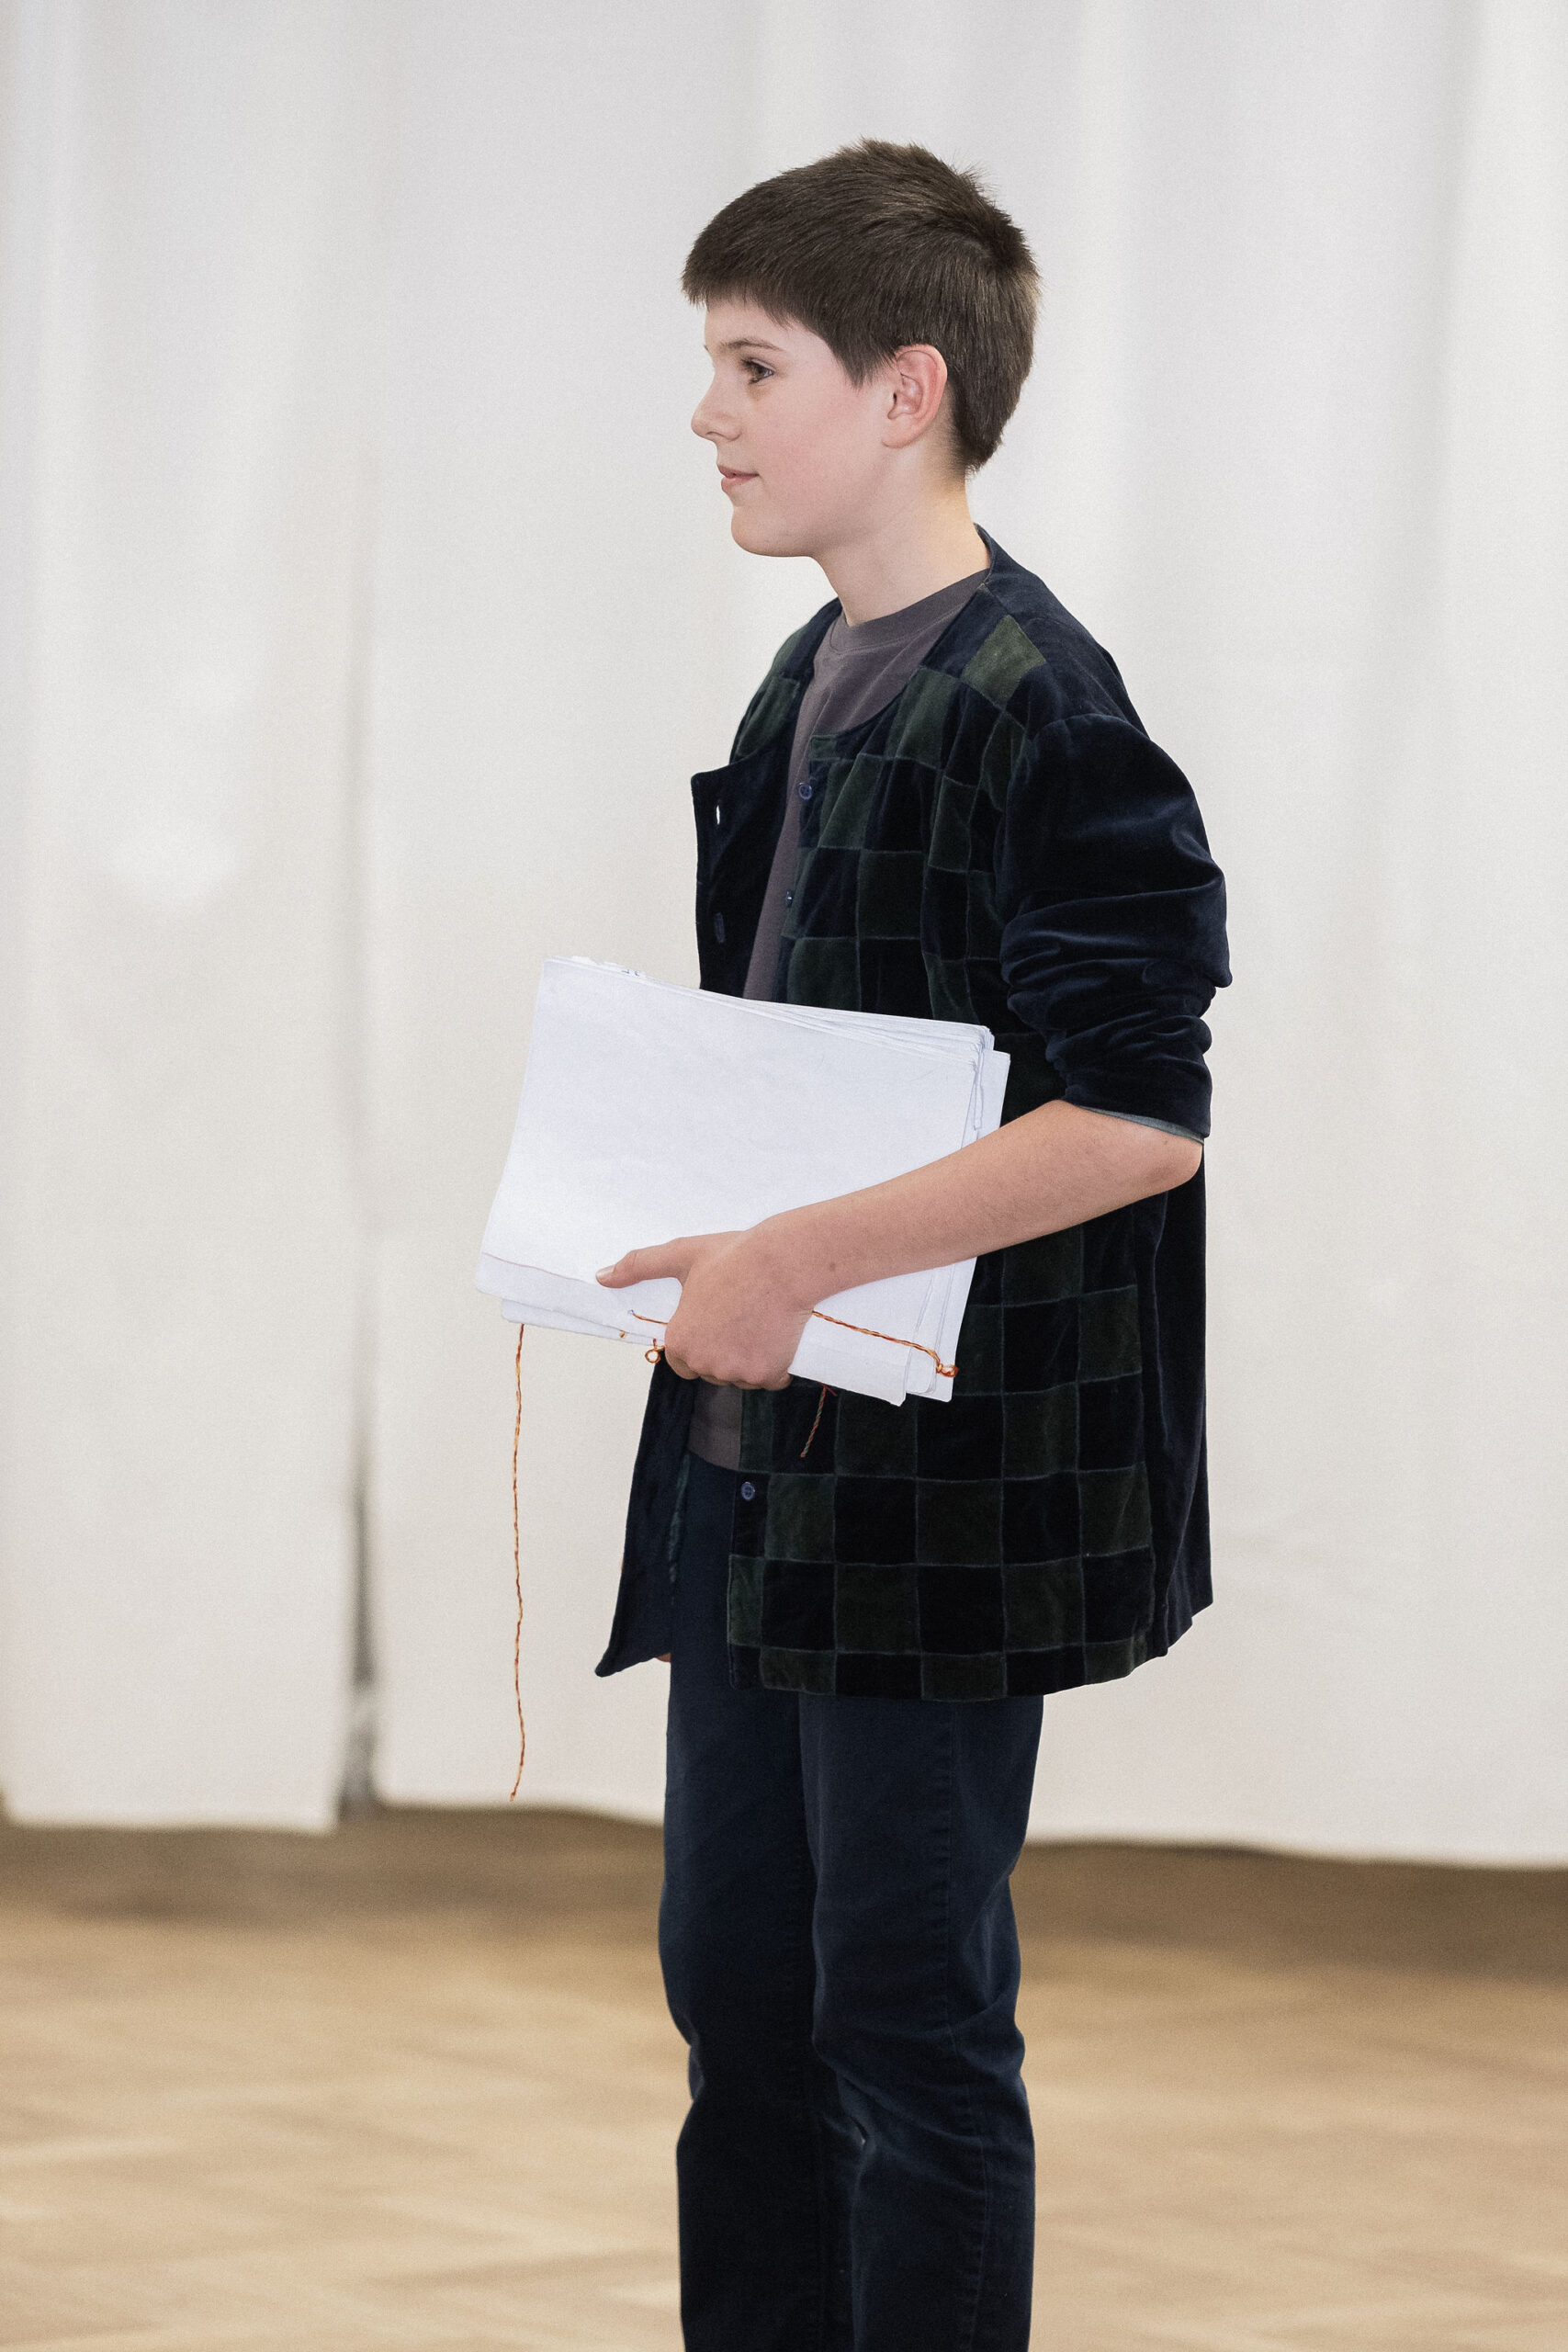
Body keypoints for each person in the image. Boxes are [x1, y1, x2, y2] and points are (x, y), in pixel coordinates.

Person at [594, 140, 1230, 2352]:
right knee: (739, 1999)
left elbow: (1136, 1112)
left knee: (902, 2018)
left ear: (903, 389)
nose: (708, 414)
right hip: (759, 1477)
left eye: (751, 365)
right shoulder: (807, 678)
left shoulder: (1041, 703)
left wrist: (793, 1256)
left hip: (938, 1498)